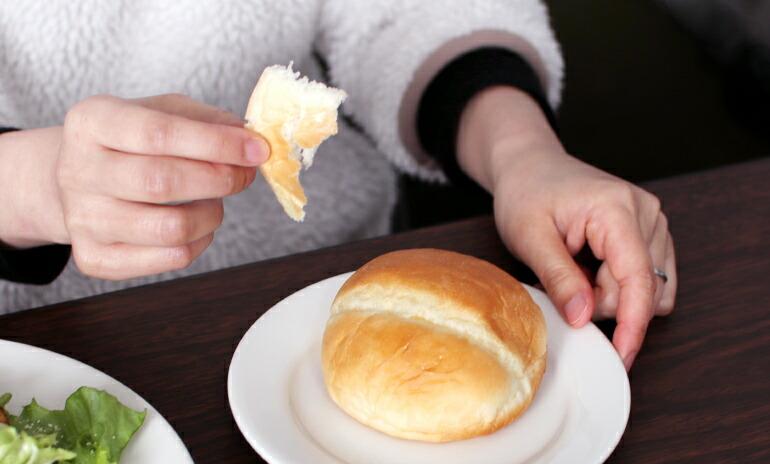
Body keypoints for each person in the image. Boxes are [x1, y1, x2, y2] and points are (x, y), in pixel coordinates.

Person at [0, 0, 676, 369]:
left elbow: (410, 14)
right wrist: (29, 187)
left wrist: (525, 154)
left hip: (321, 294)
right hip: (39, 355)